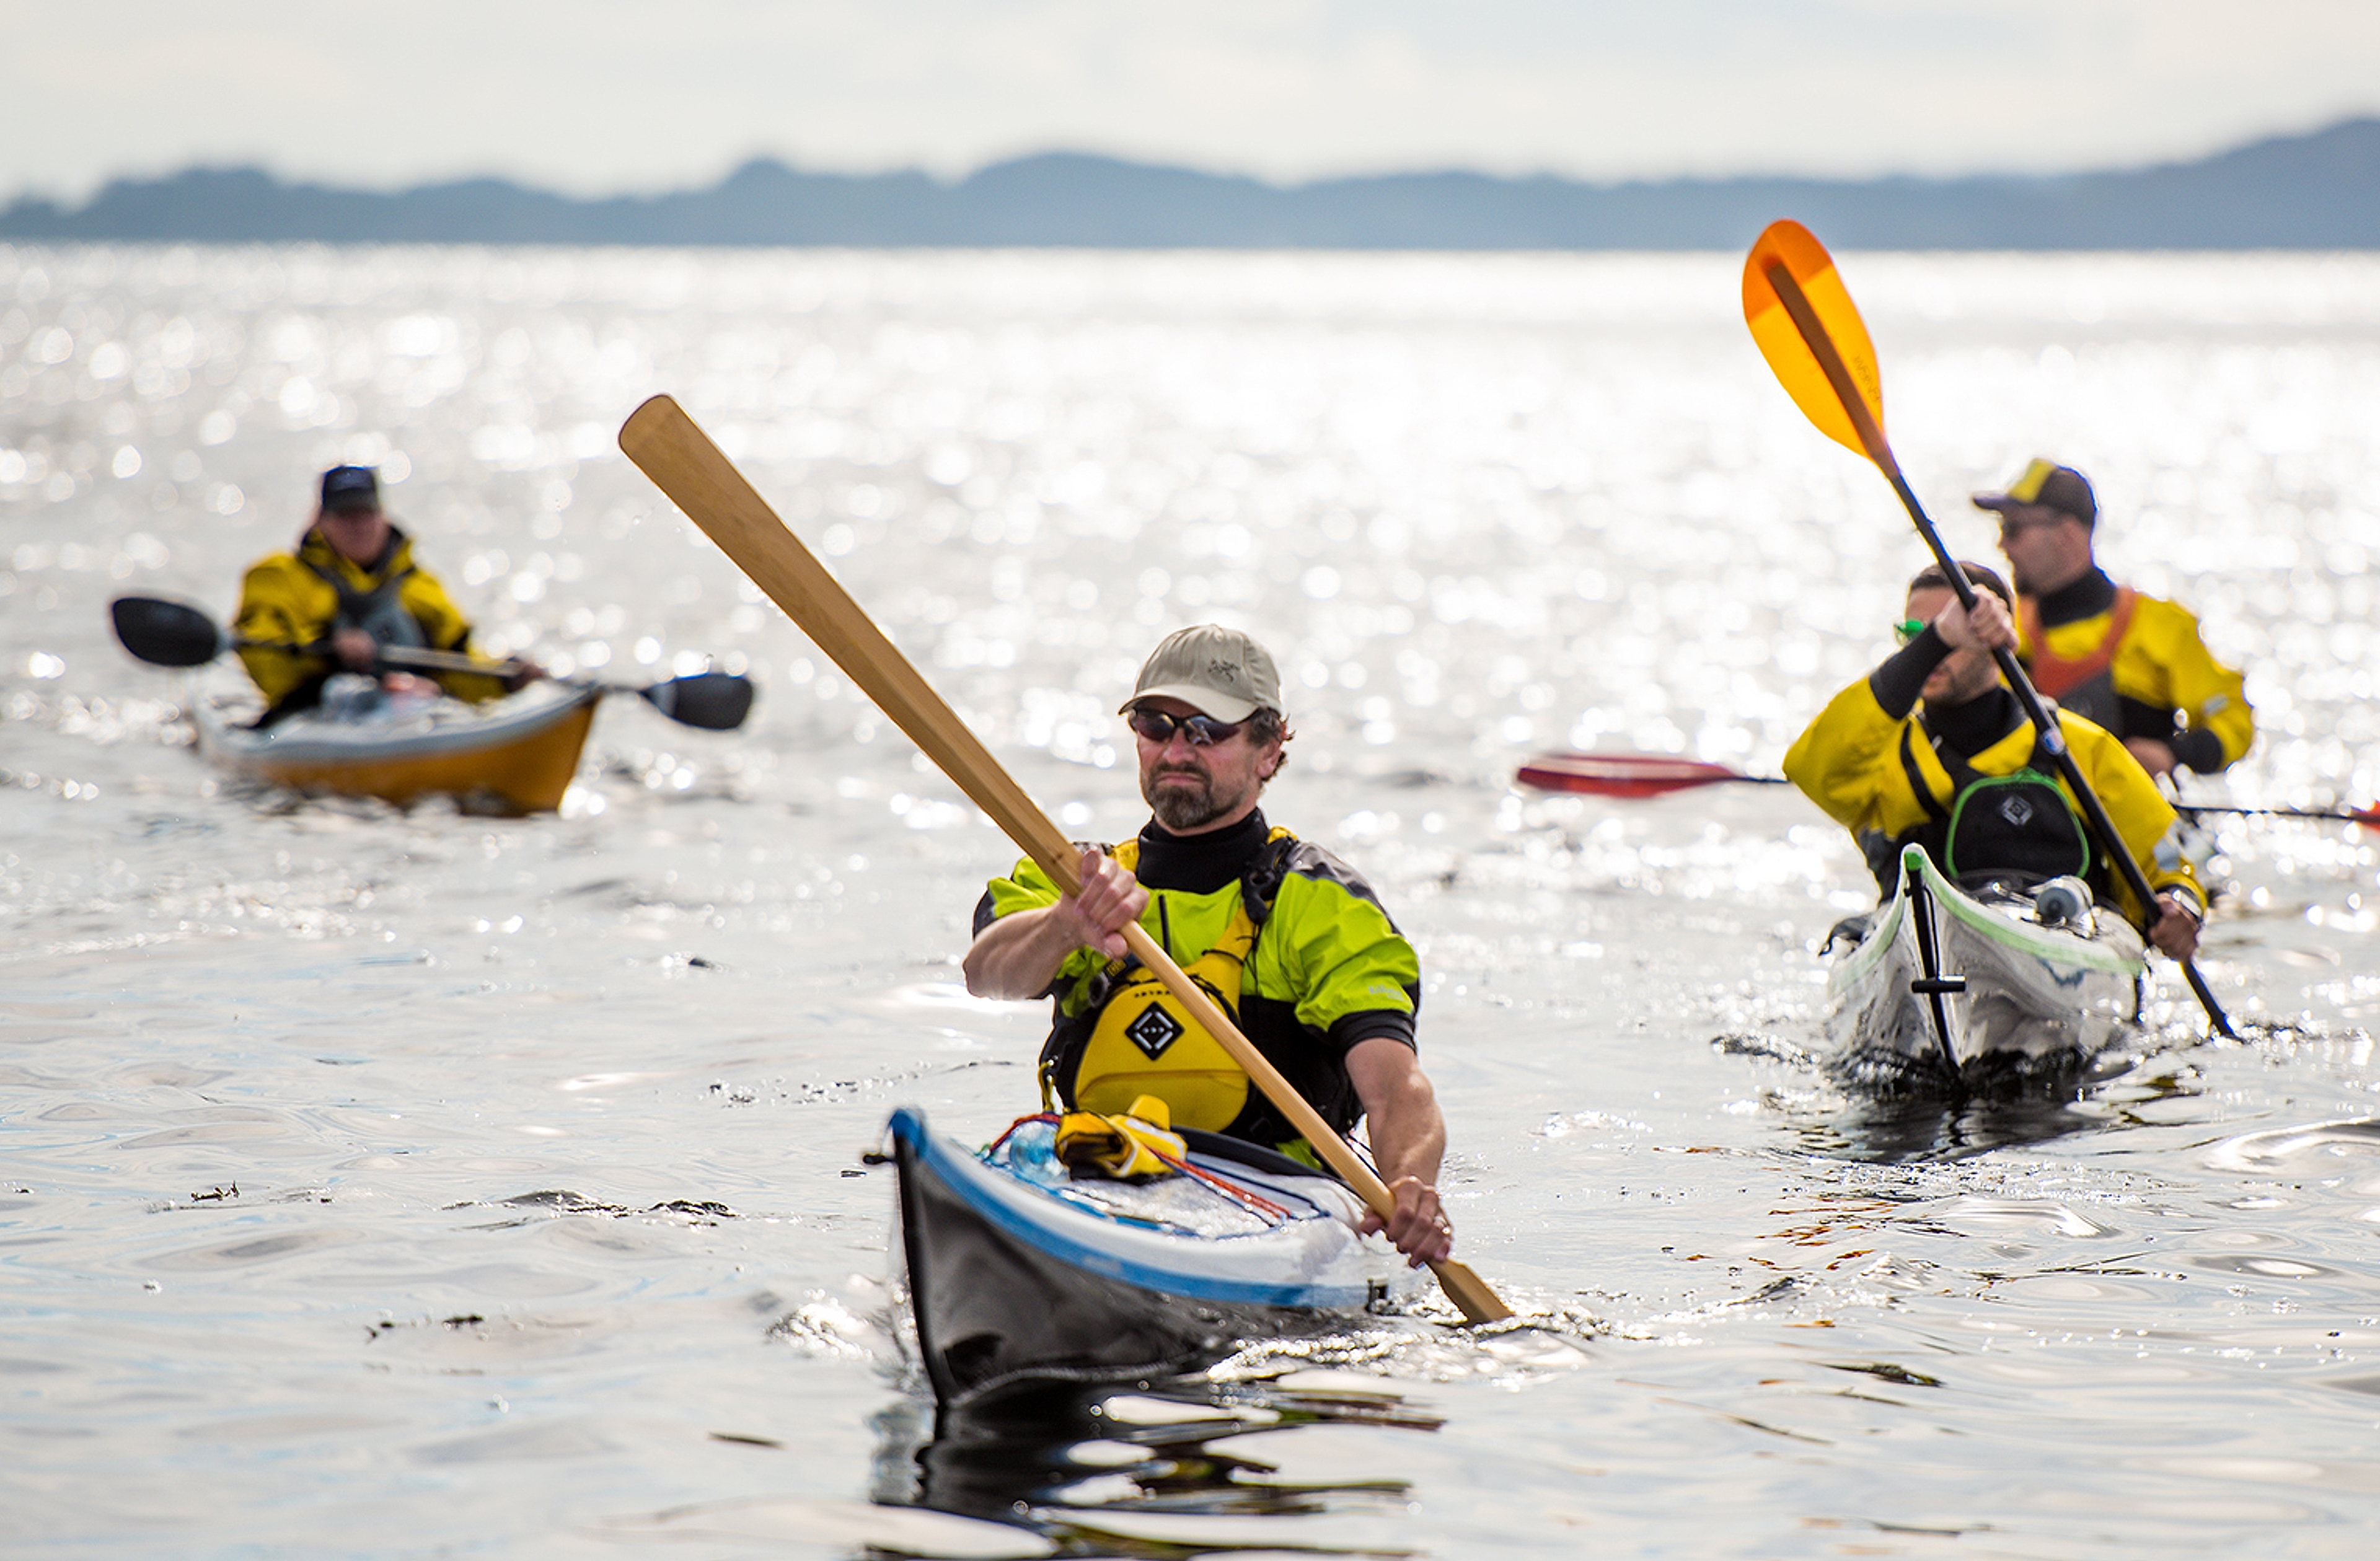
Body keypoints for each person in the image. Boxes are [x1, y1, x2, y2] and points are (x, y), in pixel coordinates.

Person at [962, 624, 1455, 1267]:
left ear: (1270, 748)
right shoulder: (1078, 880)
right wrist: (1066, 924)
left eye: (1207, 731)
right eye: (1155, 724)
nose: (1175, 750)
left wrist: (1410, 1182)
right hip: (1100, 1177)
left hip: (1276, 1199)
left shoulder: (1322, 902)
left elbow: (1396, 1088)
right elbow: (985, 976)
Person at [1783, 561, 2205, 961]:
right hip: (1925, 953)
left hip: (2060, 948)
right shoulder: (1880, 752)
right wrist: (1938, 641)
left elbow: (2167, 858)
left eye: (1950, 631)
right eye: (1915, 634)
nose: (1930, 648)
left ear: (1992, 636)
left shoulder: (2084, 748)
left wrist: (2180, 902)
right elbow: (1809, 768)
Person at [1976, 459, 2251, 780]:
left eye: (2013, 530)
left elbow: (2233, 718)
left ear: (2066, 535)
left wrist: (2172, 753)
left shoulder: (2161, 625)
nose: (2002, 545)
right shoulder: (2001, 627)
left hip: (2128, 818)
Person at [232, 466, 531, 724]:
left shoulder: (419, 585)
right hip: (316, 716)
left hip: (412, 715)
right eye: (345, 515)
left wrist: (506, 677)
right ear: (321, 520)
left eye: (367, 513)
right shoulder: (277, 577)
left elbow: (459, 662)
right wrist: (328, 650)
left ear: (382, 516)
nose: (359, 526)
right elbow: (265, 660)